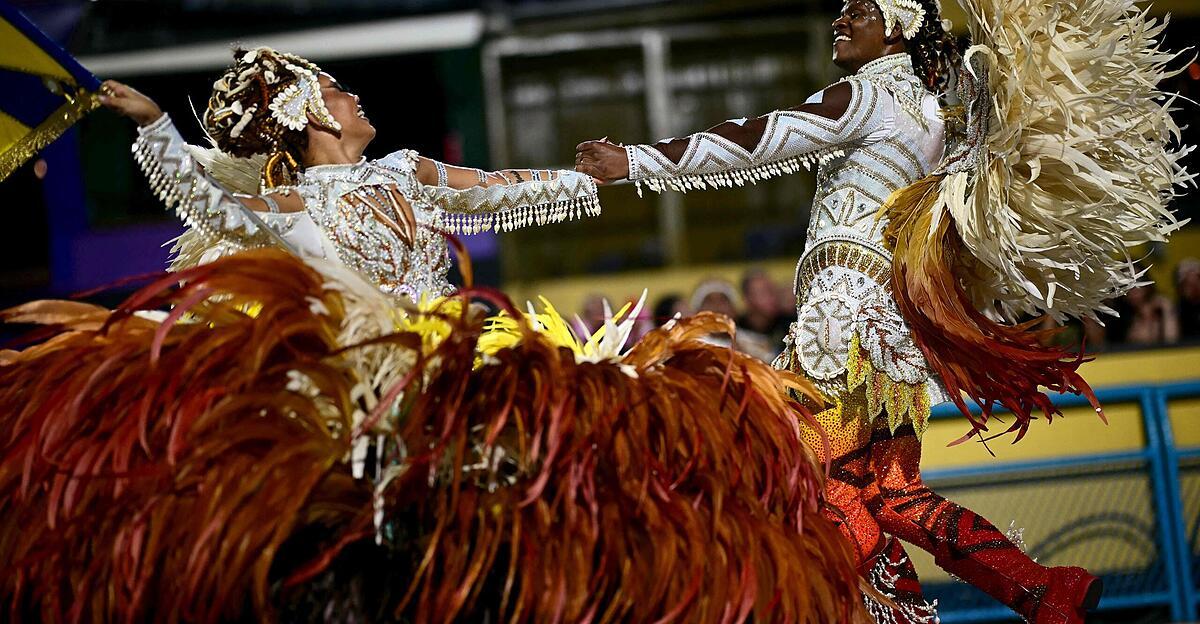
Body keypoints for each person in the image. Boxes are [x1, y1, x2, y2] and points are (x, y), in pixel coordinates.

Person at [577, 0, 1190, 621]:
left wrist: (634, 161)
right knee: (894, 495)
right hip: (893, 339)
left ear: (898, 26)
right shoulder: (941, 115)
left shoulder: (867, 98)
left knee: (804, 478)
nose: (840, 21)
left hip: (839, 328)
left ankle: (906, 615)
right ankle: (1044, 590)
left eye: (860, 11)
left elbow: (759, 137)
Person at [99, 47, 601, 302]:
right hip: (373, 390)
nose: (354, 96)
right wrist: (155, 124)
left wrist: (602, 175)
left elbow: (501, 187)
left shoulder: (407, 170)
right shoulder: (297, 208)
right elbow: (211, 206)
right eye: (336, 89)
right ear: (306, 110)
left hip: (454, 354)